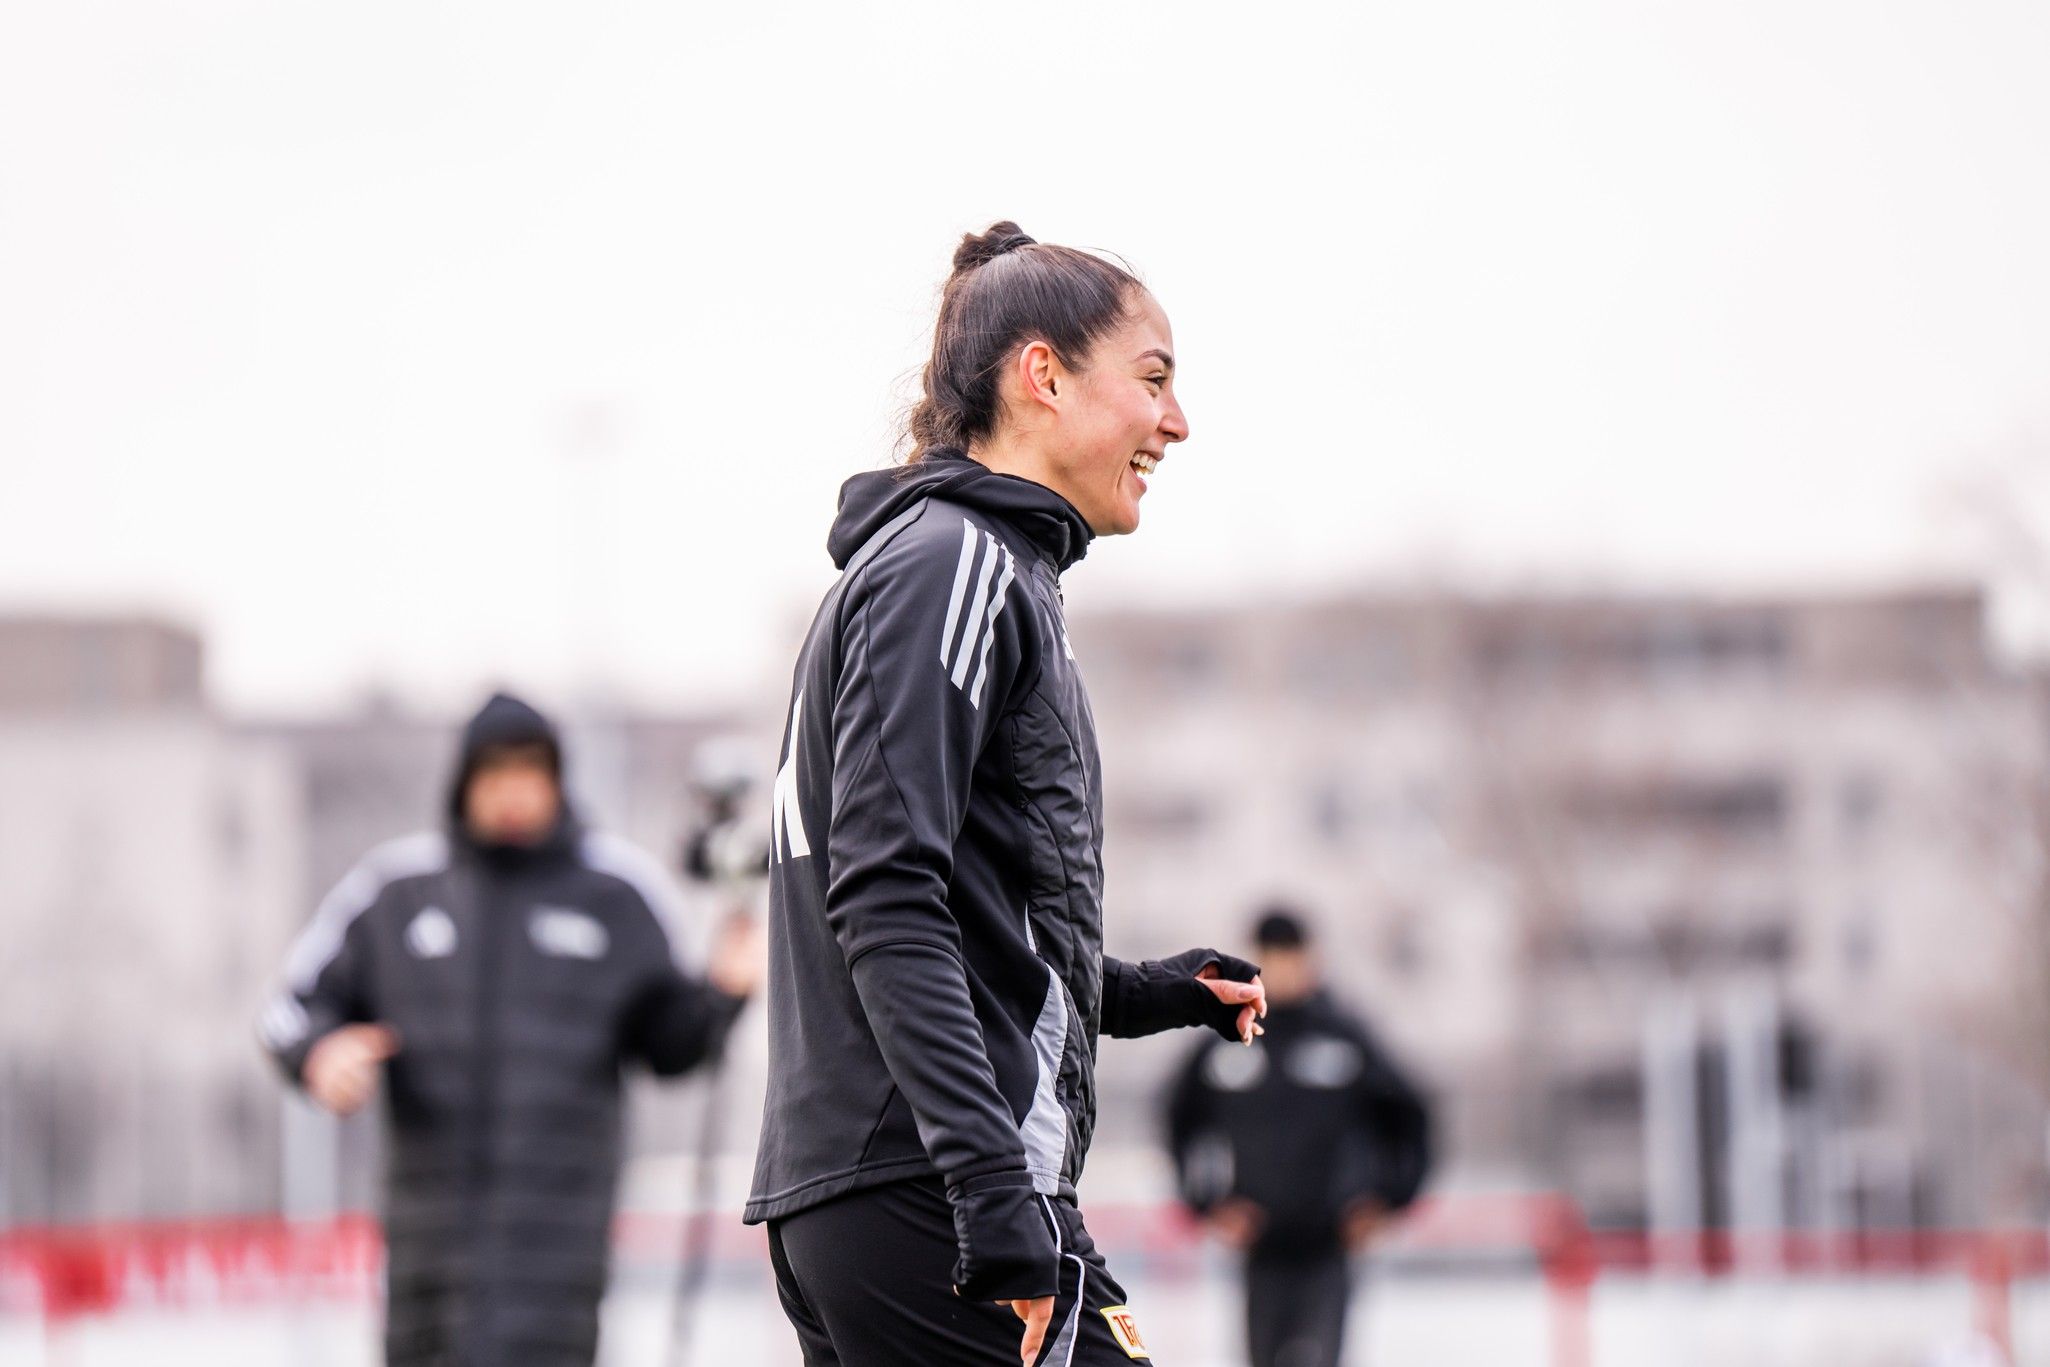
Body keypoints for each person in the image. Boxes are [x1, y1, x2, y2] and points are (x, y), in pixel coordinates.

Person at [744, 221, 1267, 1367]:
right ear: (1043, 374)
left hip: (882, 1187)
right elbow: (885, 897)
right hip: (931, 1187)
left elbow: (968, 907)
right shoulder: (956, 563)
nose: (1175, 422)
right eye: (1154, 379)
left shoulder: (957, 569)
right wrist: (993, 1198)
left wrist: (1140, 989)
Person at [257, 691, 762, 1367]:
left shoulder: (617, 894)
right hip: (424, 1278)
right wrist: (319, 1052)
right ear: (464, 781)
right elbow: (290, 1004)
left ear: (556, 779)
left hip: (559, 1274)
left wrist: (723, 994)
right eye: (495, 772)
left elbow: (672, 1044)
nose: (513, 792)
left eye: (530, 771)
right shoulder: (396, 891)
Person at [1165, 909, 1432, 1367]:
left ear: (1311, 958)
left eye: (1291, 956)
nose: (1282, 968)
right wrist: (1206, 1204)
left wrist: (1387, 1201)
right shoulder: (1229, 1039)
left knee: (1312, 1357)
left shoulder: (1344, 1038)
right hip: (1261, 1249)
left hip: (1327, 1246)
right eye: (1271, 957)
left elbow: (1411, 1118)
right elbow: (1179, 1120)